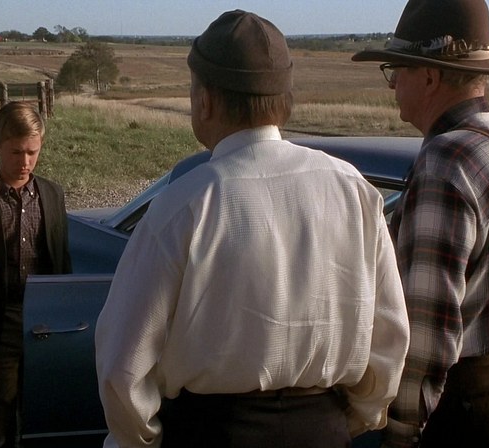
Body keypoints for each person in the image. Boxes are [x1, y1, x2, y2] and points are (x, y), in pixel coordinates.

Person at [95, 10, 410, 448]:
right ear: (283, 100)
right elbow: (390, 338)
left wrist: (144, 440)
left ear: (205, 100)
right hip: (322, 431)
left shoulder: (184, 205)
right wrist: (342, 422)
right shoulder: (353, 191)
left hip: (213, 435)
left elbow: (122, 366)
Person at [351, 1, 489, 447]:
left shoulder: (445, 162)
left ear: (430, 77)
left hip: (466, 398)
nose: (393, 86)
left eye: (396, 71)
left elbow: (428, 329)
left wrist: (402, 431)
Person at [0, 100, 72, 448]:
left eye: (32, 152)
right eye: (16, 152)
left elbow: (61, 260)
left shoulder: (51, 194)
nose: (25, 162)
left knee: (42, 416)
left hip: (42, 321)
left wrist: (64, 319)